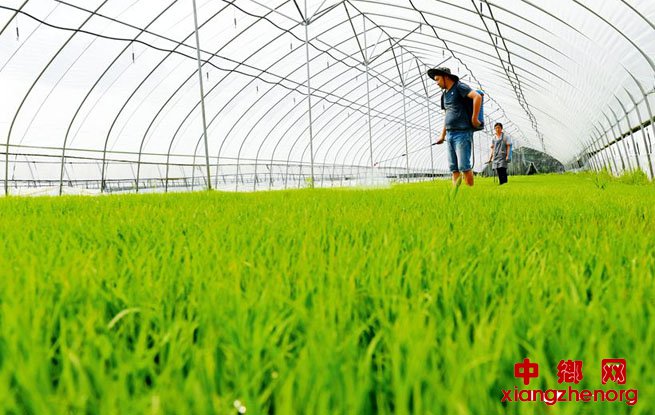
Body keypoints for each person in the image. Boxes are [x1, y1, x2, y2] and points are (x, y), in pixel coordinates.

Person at [428, 67, 482, 187]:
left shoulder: (459, 87)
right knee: (454, 168)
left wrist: (474, 119)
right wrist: (442, 136)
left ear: (446, 77)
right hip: (450, 134)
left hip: (462, 133)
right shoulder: (444, 95)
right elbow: (447, 115)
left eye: (437, 79)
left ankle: (470, 193)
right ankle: (456, 195)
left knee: (464, 166)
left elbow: (477, 97)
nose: (436, 83)